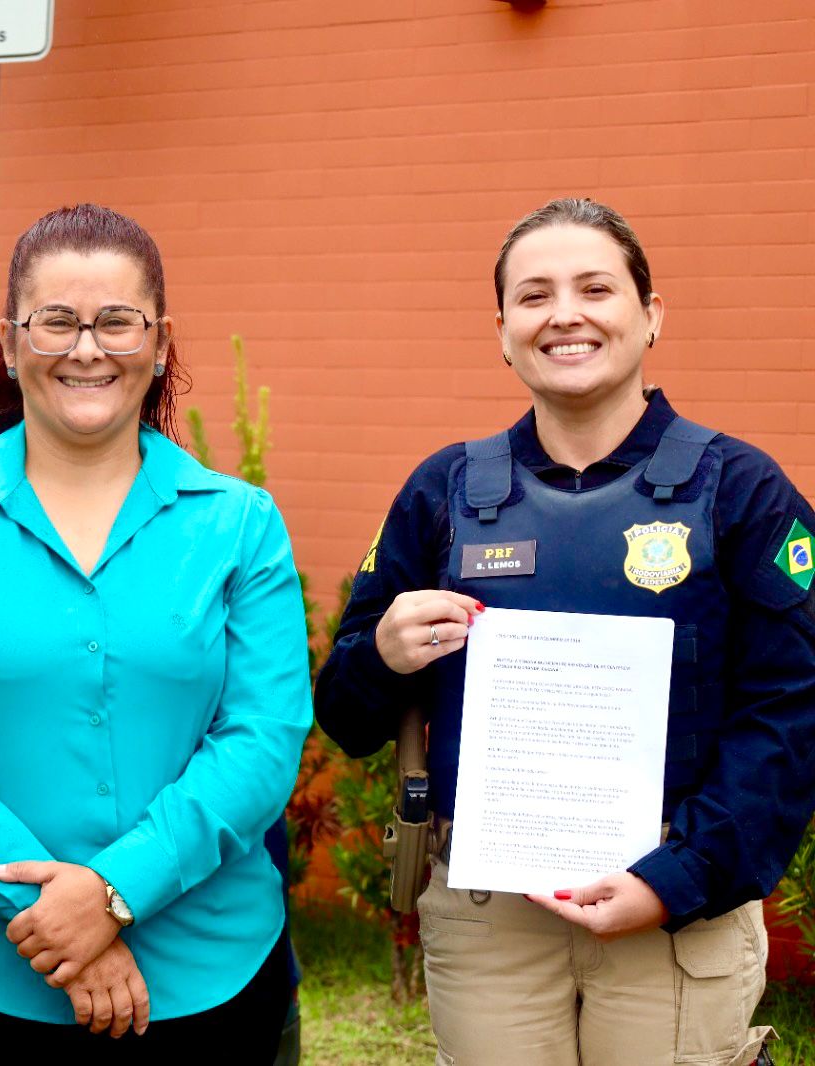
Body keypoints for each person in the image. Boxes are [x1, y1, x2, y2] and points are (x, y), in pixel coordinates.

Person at [315, 197, 815, 1065]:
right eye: (534, 295)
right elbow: (348, 716)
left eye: (595, 288)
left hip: (672, 912)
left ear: (650, 316)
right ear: (502, 330)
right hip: (489, 920)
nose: (565, 315)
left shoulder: (741, 491)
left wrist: (675, 882)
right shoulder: (443, 493)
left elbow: (793, 713)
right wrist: (384, 656)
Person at [0, 203, 312, 1062]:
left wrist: (112, 893)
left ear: (160, 342)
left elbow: (264, 737)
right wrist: (49, 913)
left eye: (116, 322)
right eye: (55, 322)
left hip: (210, 975)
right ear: (12, 343)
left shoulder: (240, 524)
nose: (86, 348)